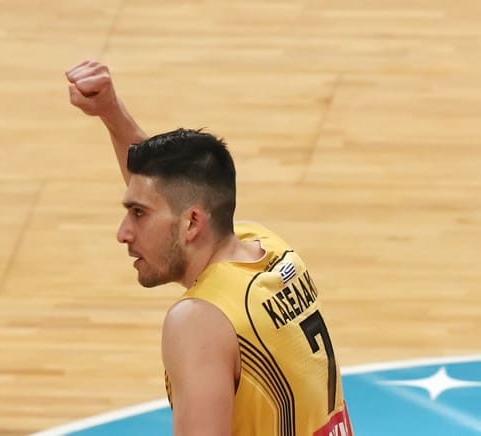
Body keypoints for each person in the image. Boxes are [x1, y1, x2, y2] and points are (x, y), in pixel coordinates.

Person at [65, 60, 354, 436]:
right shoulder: (267, 249)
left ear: (192, 224)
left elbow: (169, 199)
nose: (123, 233)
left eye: (138, 214)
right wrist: (111, 112)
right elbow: (170, 191)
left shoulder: (200, 322)